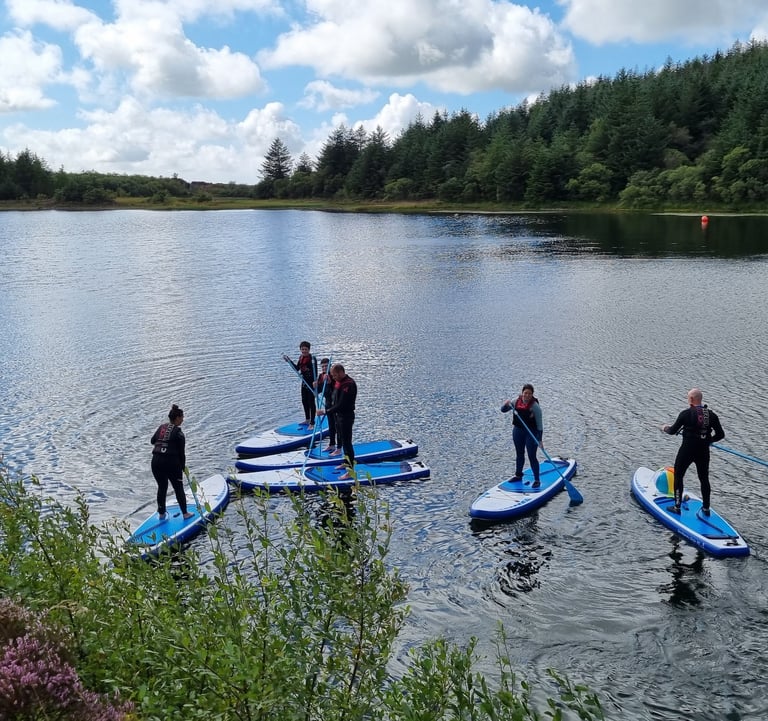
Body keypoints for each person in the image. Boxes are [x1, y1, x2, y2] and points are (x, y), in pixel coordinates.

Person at [661, 388, 725, 516]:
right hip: (703, 451)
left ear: (691, 399)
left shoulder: (685, 414)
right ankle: (706, 508)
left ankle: (677, 506)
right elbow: (721, 435)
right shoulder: (711, 415)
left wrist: (664, 428)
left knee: (679, 475)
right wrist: (708, 440)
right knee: (704, 478)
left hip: (687, 450)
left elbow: (673, 431)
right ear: (700, 399)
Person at [150, 404, 194, 520]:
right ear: (178, 418)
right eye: (182, 417)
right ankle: (185, 514)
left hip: (156, 461)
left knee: (162, 486)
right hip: (171, 462)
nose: (183, 420)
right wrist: (183, 467)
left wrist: (163, 443)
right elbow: (181, 454)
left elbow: (152, 441)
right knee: (178, 487)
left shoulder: (161, 427)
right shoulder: (179, 434)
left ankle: (161, 514)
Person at [317, 363, 357, 479]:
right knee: (343, 441)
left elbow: (341, 404)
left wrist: (325, 411)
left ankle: (350, 471)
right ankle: (345, 462)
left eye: (334, 375)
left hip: (346, 416)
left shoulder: (348, 384)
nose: (333, 377)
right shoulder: (338, 382)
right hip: (338, 416)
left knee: (347, 443)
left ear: (340, 373)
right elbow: (331, 395)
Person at [501, 383, 543, 487]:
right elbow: (503, 410)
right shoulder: (515, 401)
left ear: (532, 394)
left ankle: (537, 480)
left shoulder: (535, 406)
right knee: (519, 454)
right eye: (525, 393)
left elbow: (540, 425)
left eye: (529, 393)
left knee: (531, 456)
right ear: (522, 393)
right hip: (518, 431)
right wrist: (505, 404)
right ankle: (518, 475)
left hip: (531, 432)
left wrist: (540, 440)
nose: (527, 395)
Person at [283, 341, 318, 429]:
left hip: (311, 382)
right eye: (302, 349)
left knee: (311, 402)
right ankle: (307, 419)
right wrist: (289, 361)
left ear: (309, 350)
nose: (304, 351)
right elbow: (297, 368)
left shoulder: (312, 359)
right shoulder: (301, 357)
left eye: (306, 349)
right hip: (304, 382)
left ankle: (312, 423)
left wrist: (315, 382)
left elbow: (315, 372)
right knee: (304, 401)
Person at [315, 357, 337, 453]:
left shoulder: (334, 376)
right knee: (331, 425)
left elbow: (336, 391)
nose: (324, 368)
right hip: (328, 403)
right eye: (322, 367)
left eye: (326, 366)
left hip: (336, 404)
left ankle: (340, 446)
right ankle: (332, 444)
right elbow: (318, 391)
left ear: (330, 366)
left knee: (337, 426)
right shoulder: (321, 376)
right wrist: (315, 386)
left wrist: (329, 382)